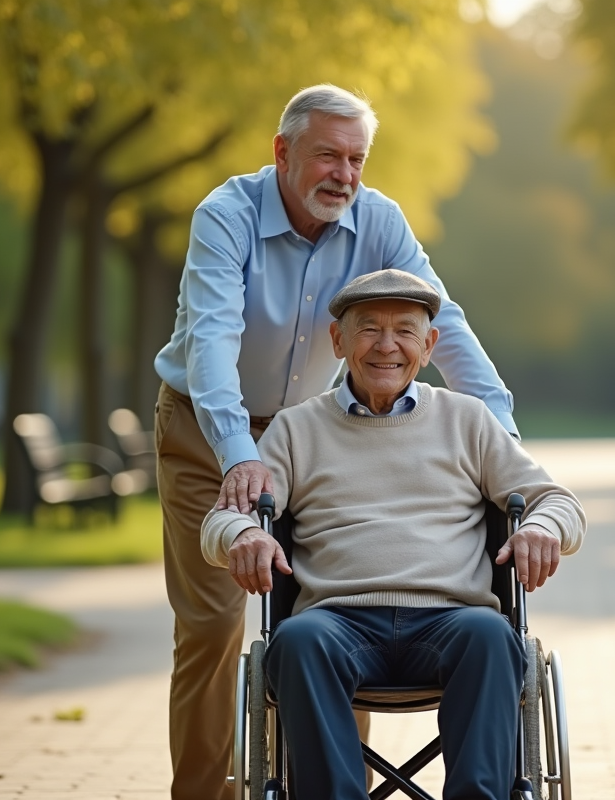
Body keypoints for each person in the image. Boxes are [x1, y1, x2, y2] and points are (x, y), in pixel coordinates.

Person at [153, 85, 521, 799]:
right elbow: (211, 347)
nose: (343, 175)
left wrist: (503, 439)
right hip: (207, 428)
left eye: (356, 159)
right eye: (327, 155)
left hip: (318, 434)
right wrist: (239, 458)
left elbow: (448, 326)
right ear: (283, 153)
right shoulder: (225, 216)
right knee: (213, 627)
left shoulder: (376, 219)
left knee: (336, 597)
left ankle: (336, 785)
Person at [200, 271, 587, 800]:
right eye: (368, 330)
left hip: (452, 621)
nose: (387, 346)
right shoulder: (296, 428)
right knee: (295, 641)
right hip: (337, 624)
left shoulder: (468, 420)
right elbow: (219, 521)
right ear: (338, 342)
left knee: (494, 637)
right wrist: (244, 536)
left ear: (429, 346)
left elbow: (558, 501)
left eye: (405, 331)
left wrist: (541, 527)